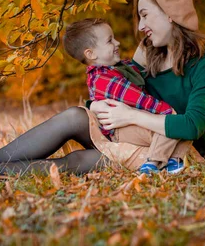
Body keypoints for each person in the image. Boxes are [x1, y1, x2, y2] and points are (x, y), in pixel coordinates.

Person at [0, 0, 205, 179]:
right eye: (139, 17)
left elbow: (193, 125)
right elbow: (115, 84)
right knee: (75, 115)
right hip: (131, 132)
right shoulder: (149, 51)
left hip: (176, 149)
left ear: (170, 14)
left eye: (145, 15)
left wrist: (128, 117)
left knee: (79, 161)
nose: (141, 26)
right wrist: (96, 105)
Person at [62, 17, 192, 174]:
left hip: (133, 122)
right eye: (110, 41)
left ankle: (172, 159)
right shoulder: (104, 79)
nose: (117, 43)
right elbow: (139, 100)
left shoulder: (117, 67)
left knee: (180, 127)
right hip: (121, 130)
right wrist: (168, 112)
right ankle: (154, 163)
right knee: (169, 126)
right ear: (91, 54)